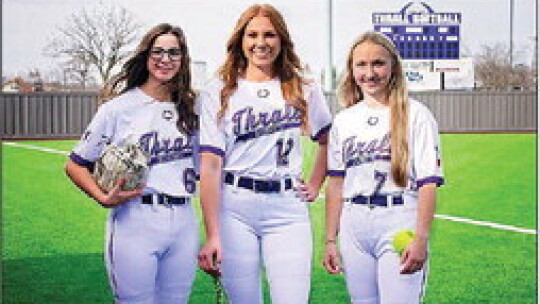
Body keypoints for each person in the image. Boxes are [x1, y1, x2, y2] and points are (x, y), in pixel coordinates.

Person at [197, 4, 332, 304]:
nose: (261, 42)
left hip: (287, 207)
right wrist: (213, 234)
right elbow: (210, 166)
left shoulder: (303, 85)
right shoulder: (218, 90)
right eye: (252, 34)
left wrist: (314, 183)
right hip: (234, 206)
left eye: (270, 34)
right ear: (240, 41)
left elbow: (328, 140)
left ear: (282, 39)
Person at [64, 23, 199, 304]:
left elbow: (208, 168)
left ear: (183, 59)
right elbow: (75, 164)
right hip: (135, 218)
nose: (165, 59)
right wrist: (101, 196)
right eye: (158, 51)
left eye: (174, 52)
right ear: (146, 56)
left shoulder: (193, 109)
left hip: (184, 219)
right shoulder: (118, 109)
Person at [322, 31, 444, 304]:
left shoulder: (417, 115)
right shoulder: (343, 121)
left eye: (378, 63)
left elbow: (428, 184)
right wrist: (330, 239)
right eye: (361, 65)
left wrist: (421, 238)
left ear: (393, 67)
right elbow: (336, 184)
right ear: (351, 70)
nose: (370, 72)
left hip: (399, 221)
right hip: (354, 225)